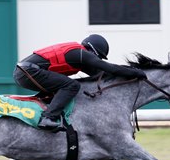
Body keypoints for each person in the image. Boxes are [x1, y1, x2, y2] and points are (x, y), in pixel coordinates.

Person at [13, 34, 147, 130]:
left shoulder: (78, 57)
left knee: (67, 86)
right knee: (72, 85)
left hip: (25, 72)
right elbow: (109, 68)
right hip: (28, 72)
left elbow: (103, 74)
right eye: (98, 57)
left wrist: (128, 77)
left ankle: (47, 113)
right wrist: (137, 72)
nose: (96, 60)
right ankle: (48, 118)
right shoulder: (80, 53)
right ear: (92, 50)